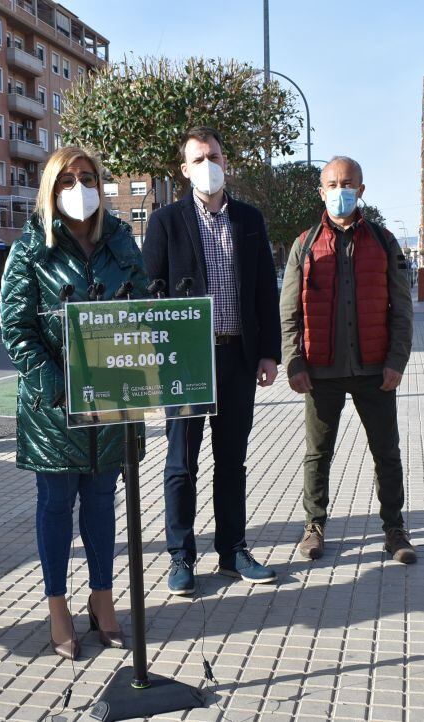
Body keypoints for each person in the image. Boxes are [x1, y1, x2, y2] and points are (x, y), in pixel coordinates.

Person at [0, 146, 149, 659]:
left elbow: (145, 305)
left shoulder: (121, 241)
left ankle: (103, 597)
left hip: (111, 401)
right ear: (50, 187)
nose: (78, 187)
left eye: (87, 177)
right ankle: (57, 603)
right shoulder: (31, 247)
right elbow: (16, 326)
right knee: (57, 504)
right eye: (67, 179)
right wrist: (55, 383)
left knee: (104, 504)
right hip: (54, 408)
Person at [142, 126, 281, 596]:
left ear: (227, 160)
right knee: (181, 464)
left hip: (238, 357)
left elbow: (265, 288)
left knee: (232, 462)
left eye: (214, 155)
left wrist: (268, 352)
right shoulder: (164, 222)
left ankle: (232, 550)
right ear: (184, 169)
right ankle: (181, 556)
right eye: (198, 159)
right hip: (187, 363)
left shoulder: (248, 219)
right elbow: (151, 293)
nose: (209, 165)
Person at [279, 156, 416, 564]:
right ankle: (314, 527)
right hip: (321, 372)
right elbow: (288, 311)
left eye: (349, 183)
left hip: (375, 370)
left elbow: (402, 308)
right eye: (333, 184)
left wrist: (397, 360)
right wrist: (294, 362)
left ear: (361, 189)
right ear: (322, 192)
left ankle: (394, 529)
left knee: (386, 452)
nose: (341, 191)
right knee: (318, 454)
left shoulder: (384, 241)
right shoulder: (304, 244)